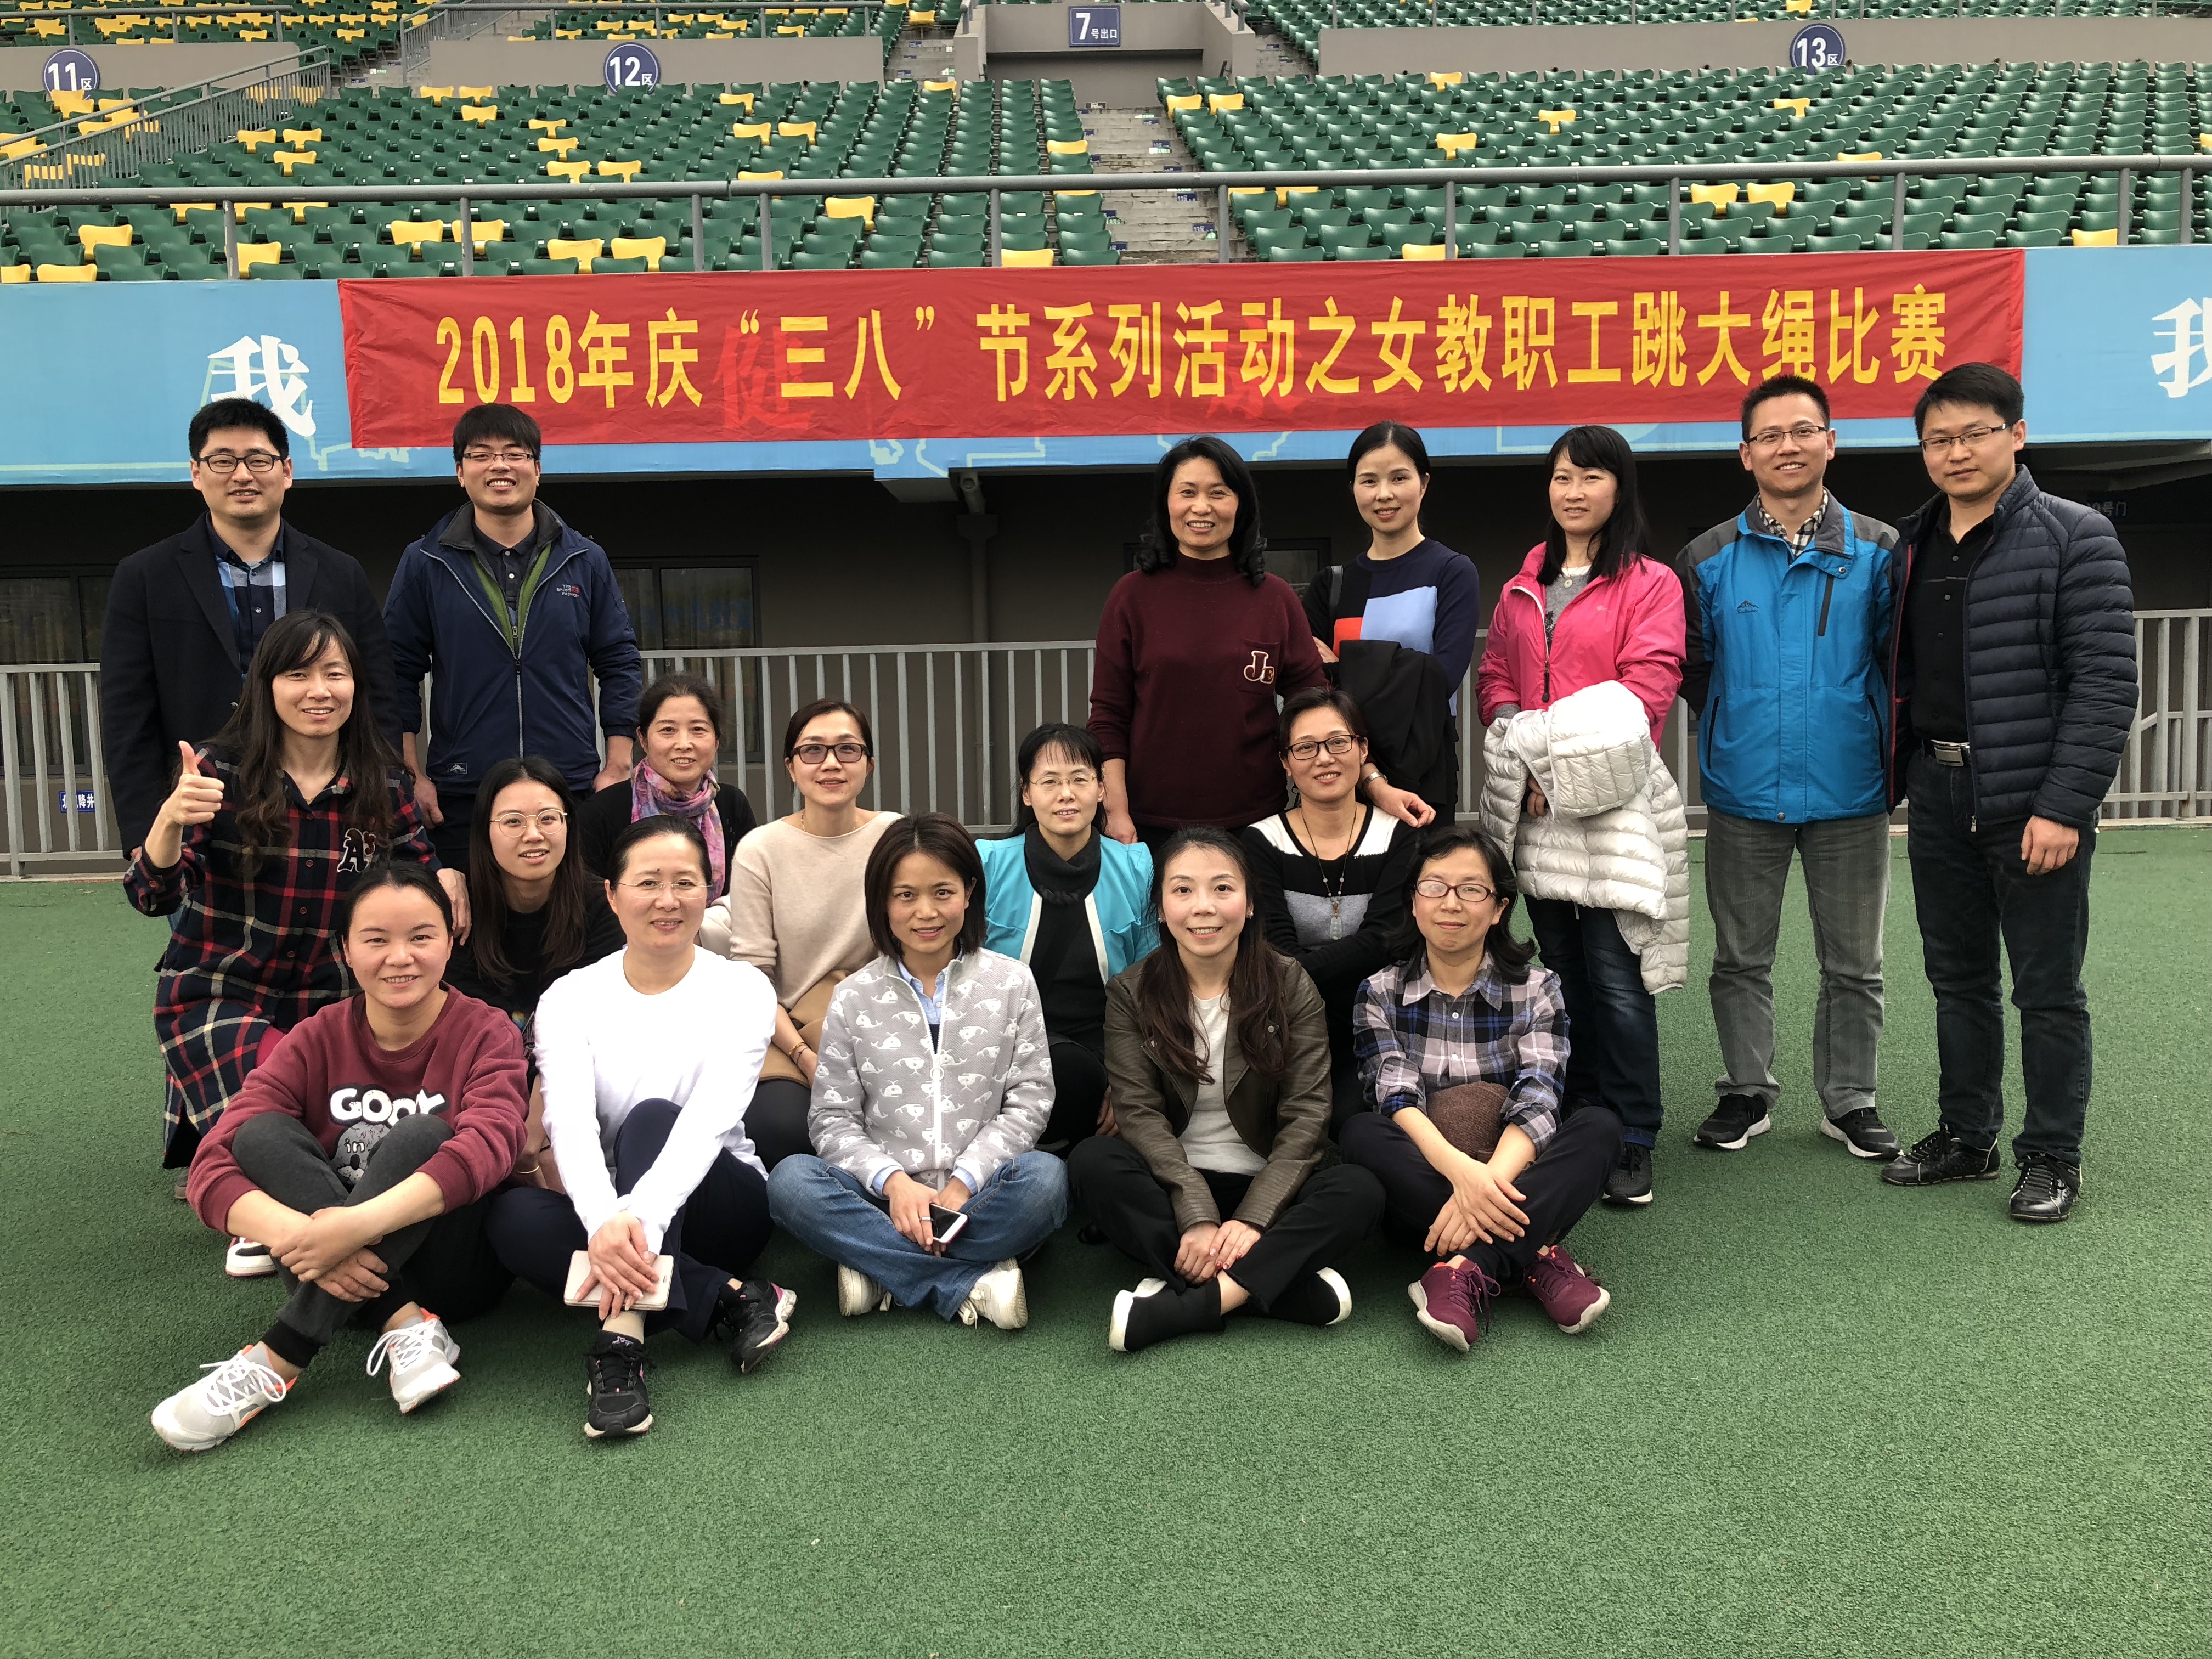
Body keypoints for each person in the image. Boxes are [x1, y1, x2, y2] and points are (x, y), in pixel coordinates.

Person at [1878, 363, 2136, 1224]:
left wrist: (2064, 806)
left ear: (2017, 435)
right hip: (1938, 790)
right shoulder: (1909, 545)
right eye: (1938, 439)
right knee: (1957, 980)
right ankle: (1967, 1136)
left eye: (1974, 434)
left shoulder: (2076, 536)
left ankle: (2052, 1155)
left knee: (2047, 990)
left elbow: (2105, 685)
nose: (1956, 452)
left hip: (2033, 802)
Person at [151, 864, 526, 1452]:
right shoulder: (317, 1035)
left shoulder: (487, 1031)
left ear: (451, 941)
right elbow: (213, 1161)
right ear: (346, 950)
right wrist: (302, 1235)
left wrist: (349, 1228)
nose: (400, 957)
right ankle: (404, 1322)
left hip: (452, 1268)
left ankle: (281, 1355)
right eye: (376, 940)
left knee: (425, 1135)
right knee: (260, 1134)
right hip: (321, 1259)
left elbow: (492, 1144)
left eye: (421, 937)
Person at [125, 611, 462, 1230]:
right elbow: (152, 895)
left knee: (346, 1131)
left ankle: (305, 1222)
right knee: (283, 1105)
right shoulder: (219, 771)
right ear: (267, 685)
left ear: (356, 684)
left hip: (335, 1001)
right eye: (298, 675)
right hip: (221, 992)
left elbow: (417, 870)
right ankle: (295, 1222)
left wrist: (446, 877)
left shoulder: (384, 780)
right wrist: (169, 821)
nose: (319, 691)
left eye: (335, 673)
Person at [486, 817, 792, 1440]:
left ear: (709, 891)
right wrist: (606, 1222)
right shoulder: (569, 998)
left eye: (685, 882)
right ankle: (729, 1296)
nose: (667, 900)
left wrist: (635, 1229)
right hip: (614, 1213)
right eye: (648, 882)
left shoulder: (744, 989)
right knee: (510, 1219)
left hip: (722, 1204)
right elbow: (568, 1122)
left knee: (652, 1119)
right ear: (612, 894)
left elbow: (708, 1123)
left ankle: (620, 1340)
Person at [1674, 376, 1902, 1165]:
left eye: (1804, 431)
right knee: (1740, 958)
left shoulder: (1880, 550)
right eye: (1769, 435)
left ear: (1831, 443)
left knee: (1856, 964)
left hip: (1852, 787)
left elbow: (1895, 663)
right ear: (1746, 455)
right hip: (1744, 788)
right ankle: (1747, 1091)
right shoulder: (1708, 557)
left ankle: (1851, 1099)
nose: (1788, 447)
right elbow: (1694, 666)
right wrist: (1737, 723)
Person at [1476, 425, 1687, 1209]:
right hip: (1535, 816)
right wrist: (1532, 766)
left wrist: (1554, 766)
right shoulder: (1522, 585)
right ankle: (1580, 1115)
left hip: (1612, 810)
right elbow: (1496, 681)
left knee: (1618, 977)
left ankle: (1633, 1132)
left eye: (1592, 477)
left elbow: (1644, 694)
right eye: (1563, 477)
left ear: (1619, 489)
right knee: (1561, 975)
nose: (1574, 491)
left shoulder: (1651, 584)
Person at [1069, 830, 1384, 1354]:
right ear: (1161, 907)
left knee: (1359, 1189)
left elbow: (1308, 1113)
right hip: (1172, 1183)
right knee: (1093, 1161)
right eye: (1183, 890)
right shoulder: (1131, 991)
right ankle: (1271, 1287)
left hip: (1268, 1183)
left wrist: (1254, 1217)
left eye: (1222, 888)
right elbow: (1139, 1114)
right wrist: (1196, 1211)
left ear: (1250, 901)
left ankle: (1191, 1302)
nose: (1204, 907)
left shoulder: (1290, 983)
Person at [768, 815, 1068, 1328]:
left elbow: (1031, 1099)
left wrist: (964, 1184)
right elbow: (832, 1120)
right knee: (791, 1183)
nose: (925, 912)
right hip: (882, 1198)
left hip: (980, 1194)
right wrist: (895, 1185)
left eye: (942, 892)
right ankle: (968, 1280)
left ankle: (882, 1269)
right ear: (882, 903)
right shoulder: (853, 996)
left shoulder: (1013, 983)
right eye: (905, 896)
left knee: (1047, 1181)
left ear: (969, 893)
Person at [1340, 827, 1622, 1354]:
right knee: (1361, 1132)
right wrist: (1462, 1175)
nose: (1451, 904)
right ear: (1414, 902)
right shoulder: (1378, 991)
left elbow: (1539, 1095)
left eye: (1471, 889)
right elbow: (1395, 1095)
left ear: (1498, 909)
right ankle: (1535, 1256)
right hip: (1429, 1182)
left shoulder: (1539, 988)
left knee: (1600, 1127)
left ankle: (1462, 1268)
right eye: (1434, 887)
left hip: (1511, 1173)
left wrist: (1487, 1183)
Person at [1088, 435, 1430, 853]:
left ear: (1241, 505)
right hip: (1149, 826)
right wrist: (1117, 813)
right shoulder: (1132, 596)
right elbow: (1109, 716)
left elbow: (1317, 708)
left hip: (1257, 822)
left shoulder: (1274, 598)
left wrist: (1375, 784)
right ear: (1166, 503)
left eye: (1218, 493)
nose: (1202, 507)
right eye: (1187, 492)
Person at [101, 397, 398, 861]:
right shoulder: (145, 576)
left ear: (287, 471)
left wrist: (382, 801)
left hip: (324, 803)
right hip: (200, 805)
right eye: (222, 461)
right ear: (196, 473)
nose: (242, 475)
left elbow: (377, 695)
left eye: (259, 460)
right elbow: (126, 714)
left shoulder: (341, 573)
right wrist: (146, 832)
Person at [384, 403, 642, 870]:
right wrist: (412, 774)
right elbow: (396, 671)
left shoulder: (584, 559)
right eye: (481, 455)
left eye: (515, 454)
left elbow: (619, 660)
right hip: (464, 791)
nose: (499, 466)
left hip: (568, 787)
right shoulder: (425, 562)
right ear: (460, 472)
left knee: (573, 912)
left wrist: (618, 766)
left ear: (537, 470)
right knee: (468, 913)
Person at [702, 698, 902, 1170]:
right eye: (813, 750)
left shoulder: (895, 836)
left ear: (869, 764)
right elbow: (753, 979)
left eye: (847, 749)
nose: (831, 763)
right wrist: (804, 1056)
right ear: (791, 767)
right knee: (780, 1130)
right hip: (790, 1028)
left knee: (899, 1119)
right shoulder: (761, 849)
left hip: (886, 1020)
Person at [1240, 687, 1416, 1131]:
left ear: (1363, 749)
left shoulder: (1399, 836)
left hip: (1377, 1017)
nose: (1324, 759)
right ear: (1286, 762)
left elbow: (1385, 941)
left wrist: (1294, 976)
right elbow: (1275, 946)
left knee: (1348, 1119)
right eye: (1305, 748)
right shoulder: (1261, 841)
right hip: (1288, 1019)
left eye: (1338, 742)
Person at [978, 724, 1157, 1154]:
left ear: (1101, 790)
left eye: (1080, 779)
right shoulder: (988, 864)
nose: (1066, 794)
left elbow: (1153, 984)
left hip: (1106, 1050)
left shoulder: (1136, 867)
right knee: (1067, 1071)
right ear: (1027, 793)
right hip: (1003, 1048)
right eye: (1050, 782)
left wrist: (1132, 1083)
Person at [1304, 421, 1484, 820]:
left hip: (1422, 772)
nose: (1383, 494)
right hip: (1341, 771)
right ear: (1353, 488)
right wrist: (1400, 665)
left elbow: (1439, 680)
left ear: (1424, 484)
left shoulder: (1452, 572)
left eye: (1399, 478)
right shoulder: (1333, 585)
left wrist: (1342, 669)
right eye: (1369, 481)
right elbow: (1312, 690)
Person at [443, 756, 624, 1023]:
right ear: (484, 831)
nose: (533, 835)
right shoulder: (459, 909)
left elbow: (597, 1015)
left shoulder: (604, 907)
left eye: (548, 818)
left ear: (568, 825)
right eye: (513, 822)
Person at [577, 671, 758, 894]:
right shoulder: (600, 813)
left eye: (698, 729)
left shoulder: (732, 806)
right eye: (668, 730)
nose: (684, 744)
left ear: (717, 741)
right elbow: (591, 902)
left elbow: (750, 895)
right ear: (643, 739)